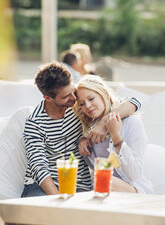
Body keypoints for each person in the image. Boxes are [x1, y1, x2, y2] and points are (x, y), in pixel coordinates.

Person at [21, 62, 141, 197]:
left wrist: (102, 124)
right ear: (48, 98)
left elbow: (134, 102)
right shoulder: (34, 124)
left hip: (79, 187)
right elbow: (39, 168)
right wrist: (57, 200)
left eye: (72, 91)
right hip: (44, 187)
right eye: (66, 96)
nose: (73, 98)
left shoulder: (80, 108)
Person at [74, 74, 154, 194]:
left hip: (134, 190)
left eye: (91, 99)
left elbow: (135, 175)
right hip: (105, 192)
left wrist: (116, 136)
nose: (88, 106)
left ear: (103, 94)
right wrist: (82, 139)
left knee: (104, 180)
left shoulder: (131, 122)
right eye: (82, 104)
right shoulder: (88, 130)